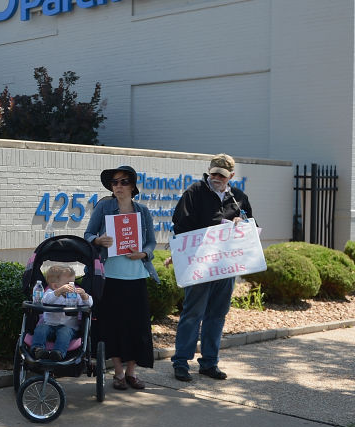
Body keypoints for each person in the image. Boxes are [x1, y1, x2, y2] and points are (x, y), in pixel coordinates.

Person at [170, 153, 255, 382]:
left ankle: (209, 363)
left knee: (217, 315)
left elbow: (251, 226)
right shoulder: (194, 192)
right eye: (213, 172)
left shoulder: (238, 198)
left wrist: (242, 223)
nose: (216, 177)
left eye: (222, 174)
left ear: (231, 176)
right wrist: (215, 229)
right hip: (199, 265)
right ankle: (181, 362)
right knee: (192, 314)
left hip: (226, 267)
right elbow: (180, 225)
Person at [84, 165, 158, 391]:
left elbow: (151, 242)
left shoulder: (143, 211)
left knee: (136, 327)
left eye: (124, 182)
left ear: (133, 186)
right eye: (115, 182)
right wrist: (98, 241)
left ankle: (132, 373)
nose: (118, 186)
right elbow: (88, 234)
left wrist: (143, 253)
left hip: (136, 277)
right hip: (110, 276)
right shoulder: (104, 207)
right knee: (113, 326)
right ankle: (117, 373)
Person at [31, 263, 92, 360]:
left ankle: (58, 353)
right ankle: (37, 350)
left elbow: (89, 304)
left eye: (73, 283)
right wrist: (58, 292)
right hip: (49, 325)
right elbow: (44, 300)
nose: (72, 286)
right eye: (68, 284)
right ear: (55, 286)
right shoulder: (50, 293)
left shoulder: (75, 295)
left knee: (64, 332)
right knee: (40, 328)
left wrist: (84, 296)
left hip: (69, 328)